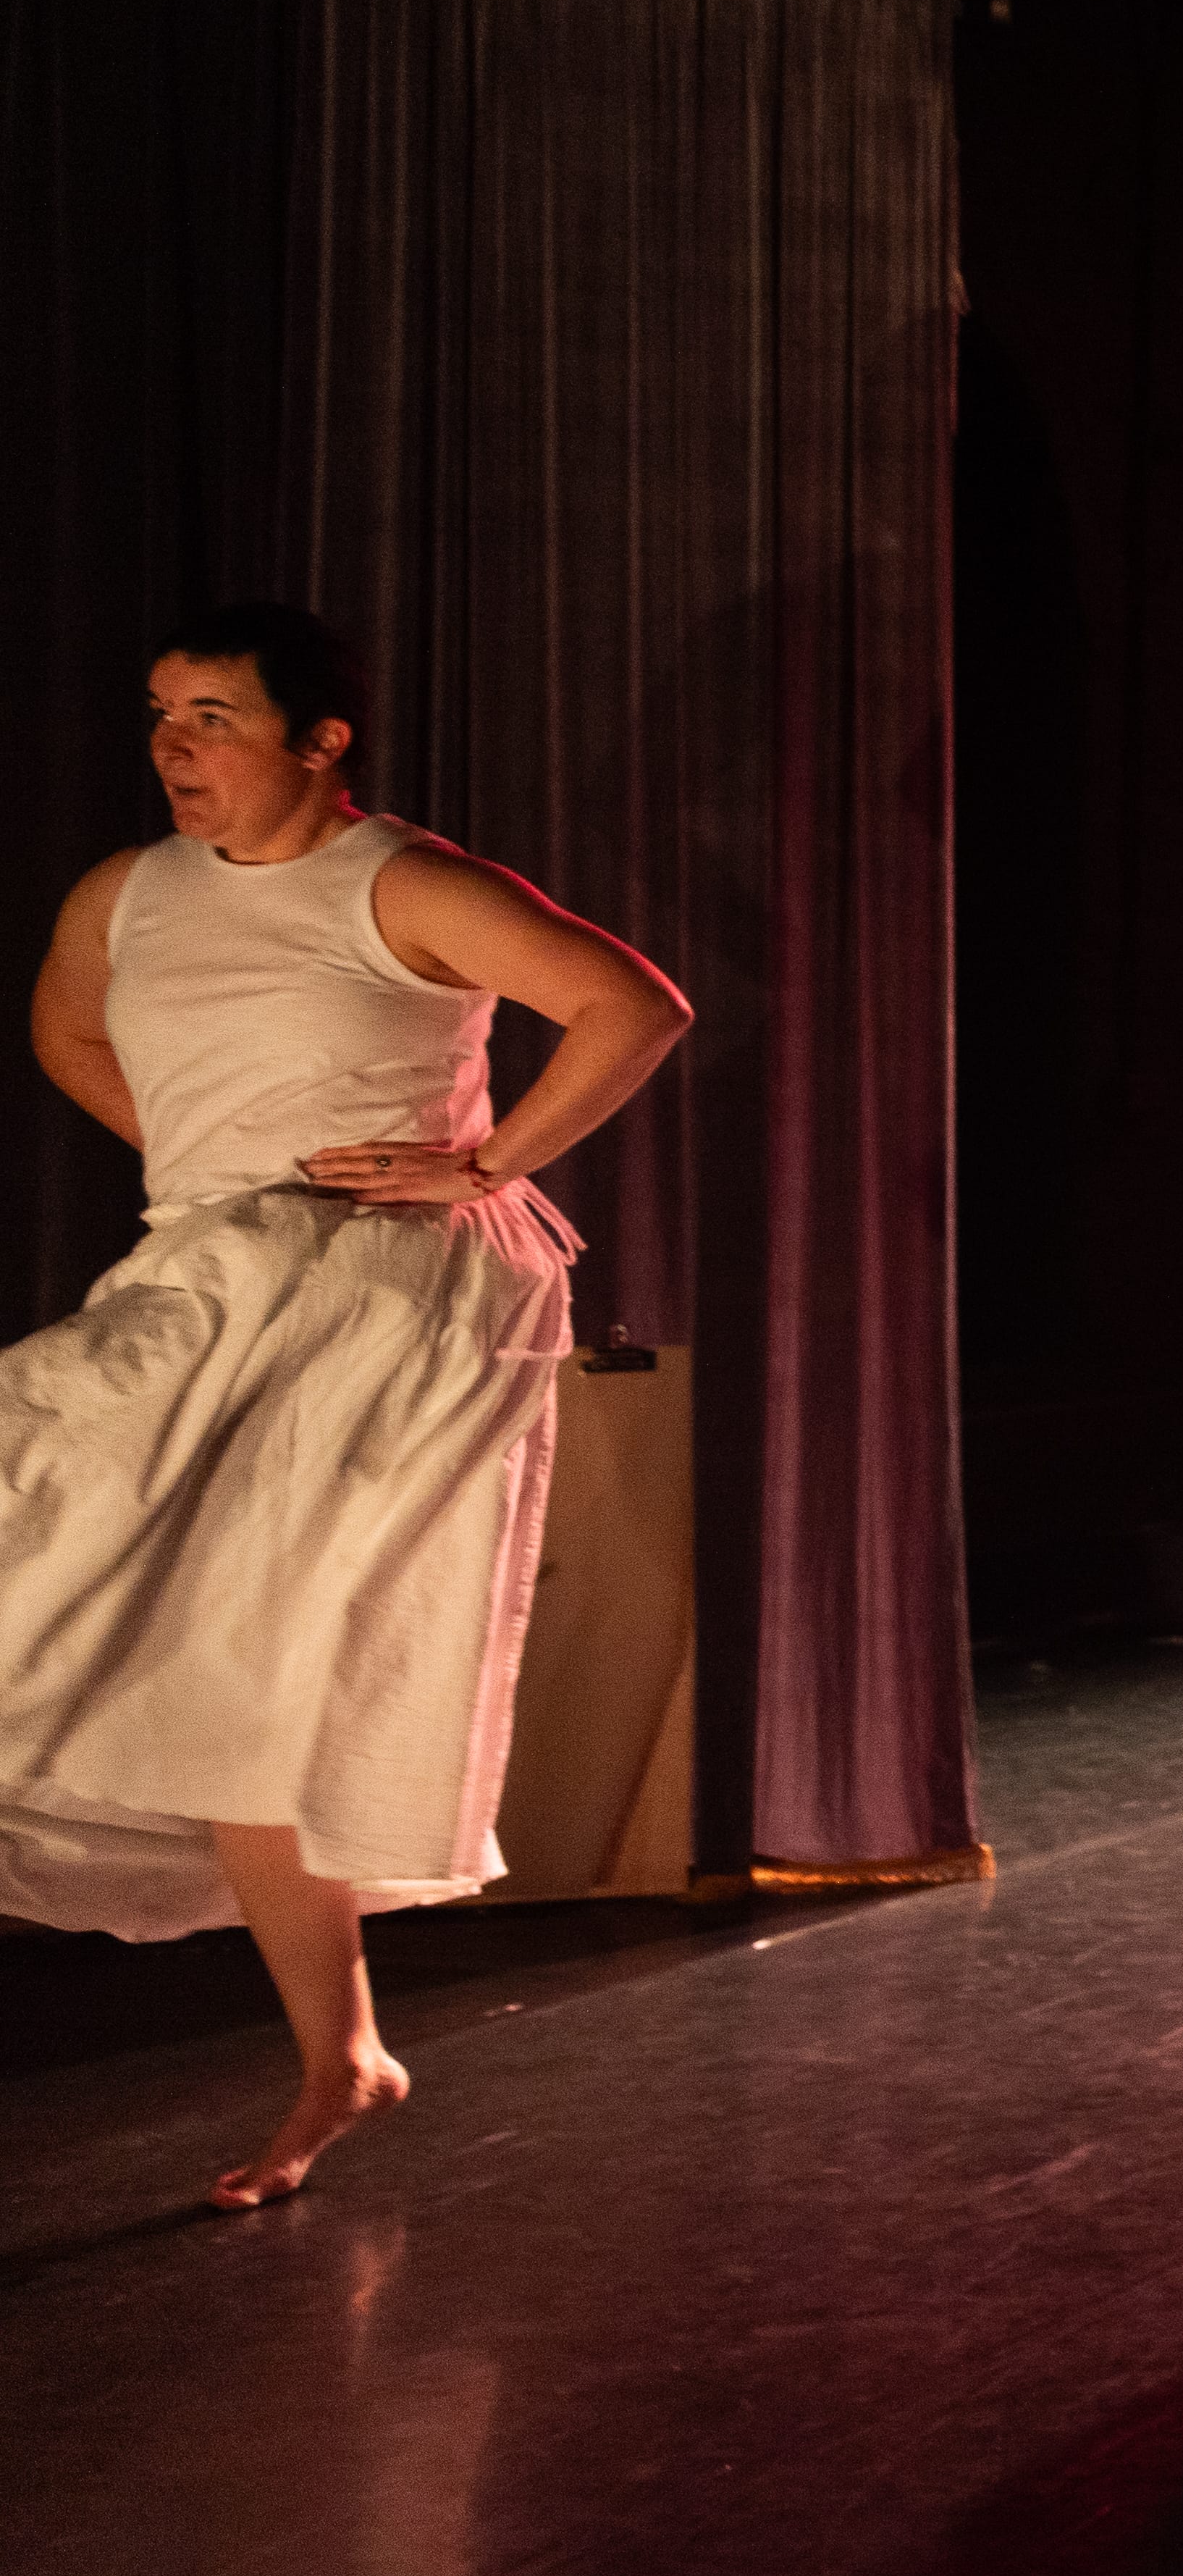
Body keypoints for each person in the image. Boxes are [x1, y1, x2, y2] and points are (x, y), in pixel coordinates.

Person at [6, 605, 692, 2210]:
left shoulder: (402, 880)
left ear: (322, 742)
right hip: (227, 1262)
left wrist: (484, 1160)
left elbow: (633, 1004)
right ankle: (347, 2055)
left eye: (217, 716)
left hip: (395, 1289)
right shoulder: (127, 892)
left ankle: (339, 2052)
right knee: (227, 1671)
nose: (176, 743)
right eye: (162, 712)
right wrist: (209, 1162)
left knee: (200, 1611)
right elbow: (66, 1028)